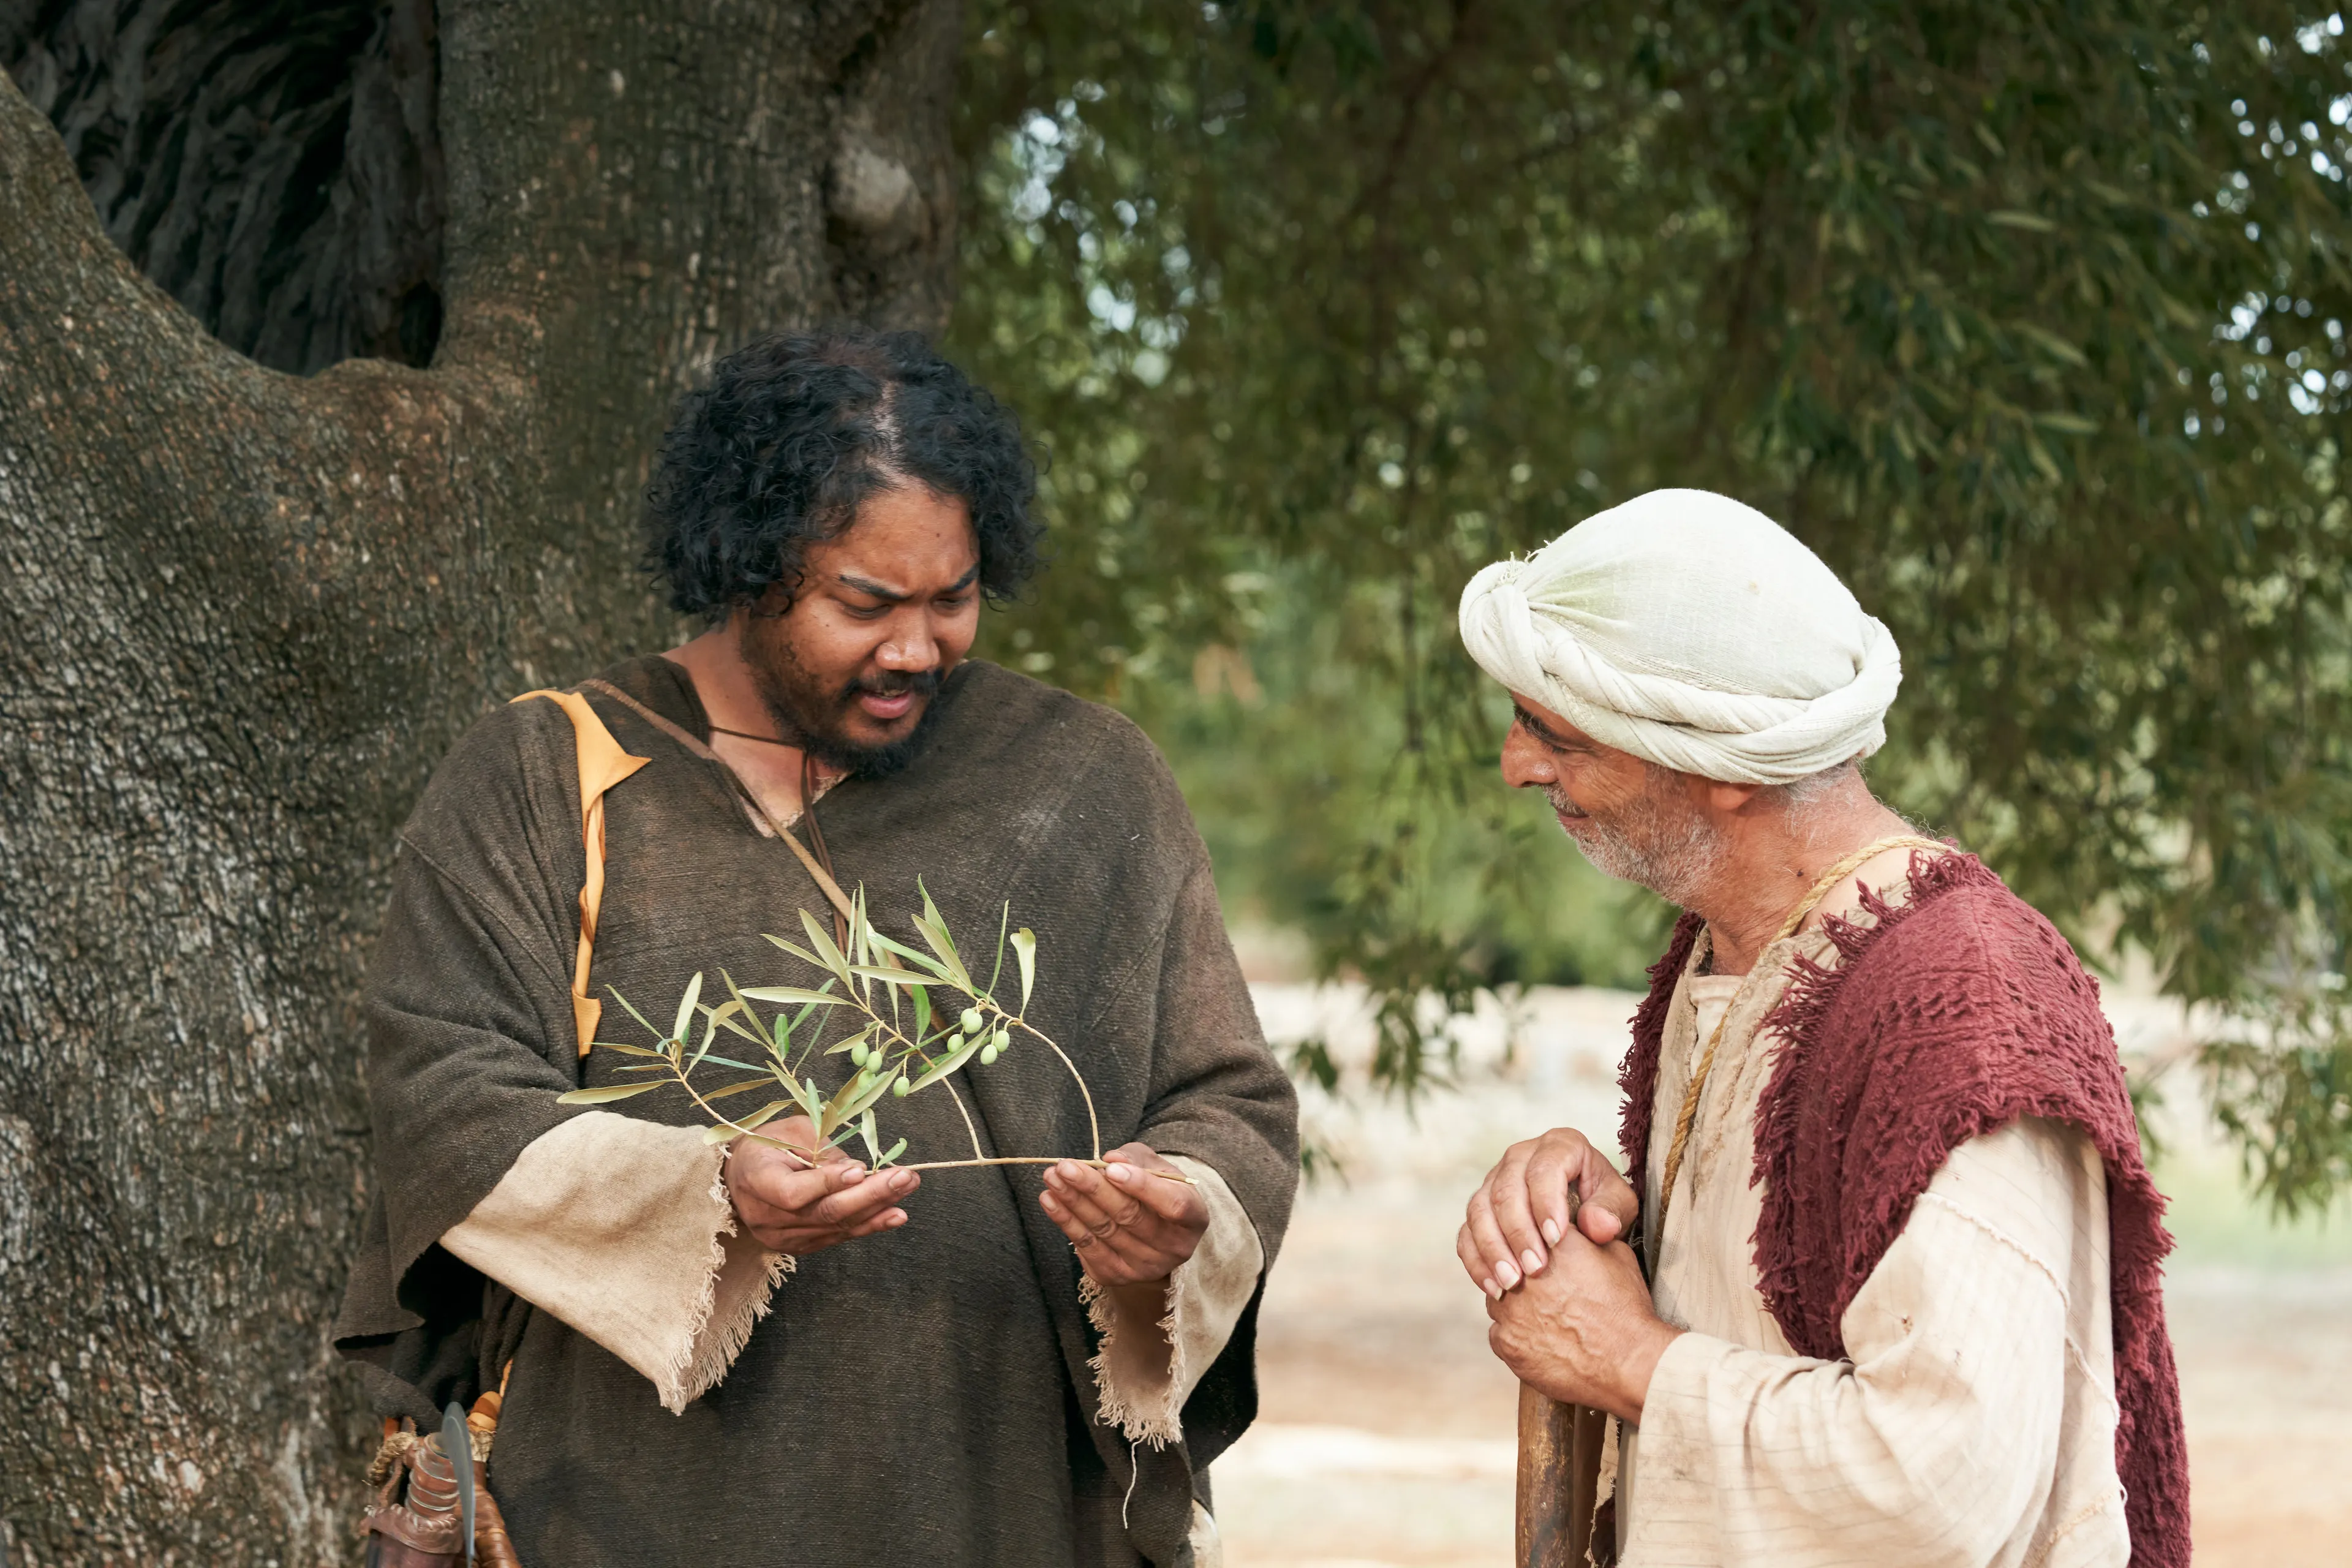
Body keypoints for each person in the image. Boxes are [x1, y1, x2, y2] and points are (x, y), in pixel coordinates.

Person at [333, 326, 1298, 1568]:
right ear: (748, 565)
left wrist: (1179, 1219)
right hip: (631, 1506)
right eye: (866, 602)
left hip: (1003, 1500)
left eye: (952, 596)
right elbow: (444, 1093)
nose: (916, 647)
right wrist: (708, 1190)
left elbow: (1229, 1100)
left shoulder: (1086, 783)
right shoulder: (539, 775)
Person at [1452, 489, 2188, 1567]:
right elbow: (1784, 1307)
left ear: (1719, 773)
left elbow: (1943, 1481)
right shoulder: (1745, 949)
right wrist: (1615, 1227)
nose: (1519, 766)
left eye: (1555, 733)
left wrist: (1626, 1359)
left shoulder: (1965, 1010)